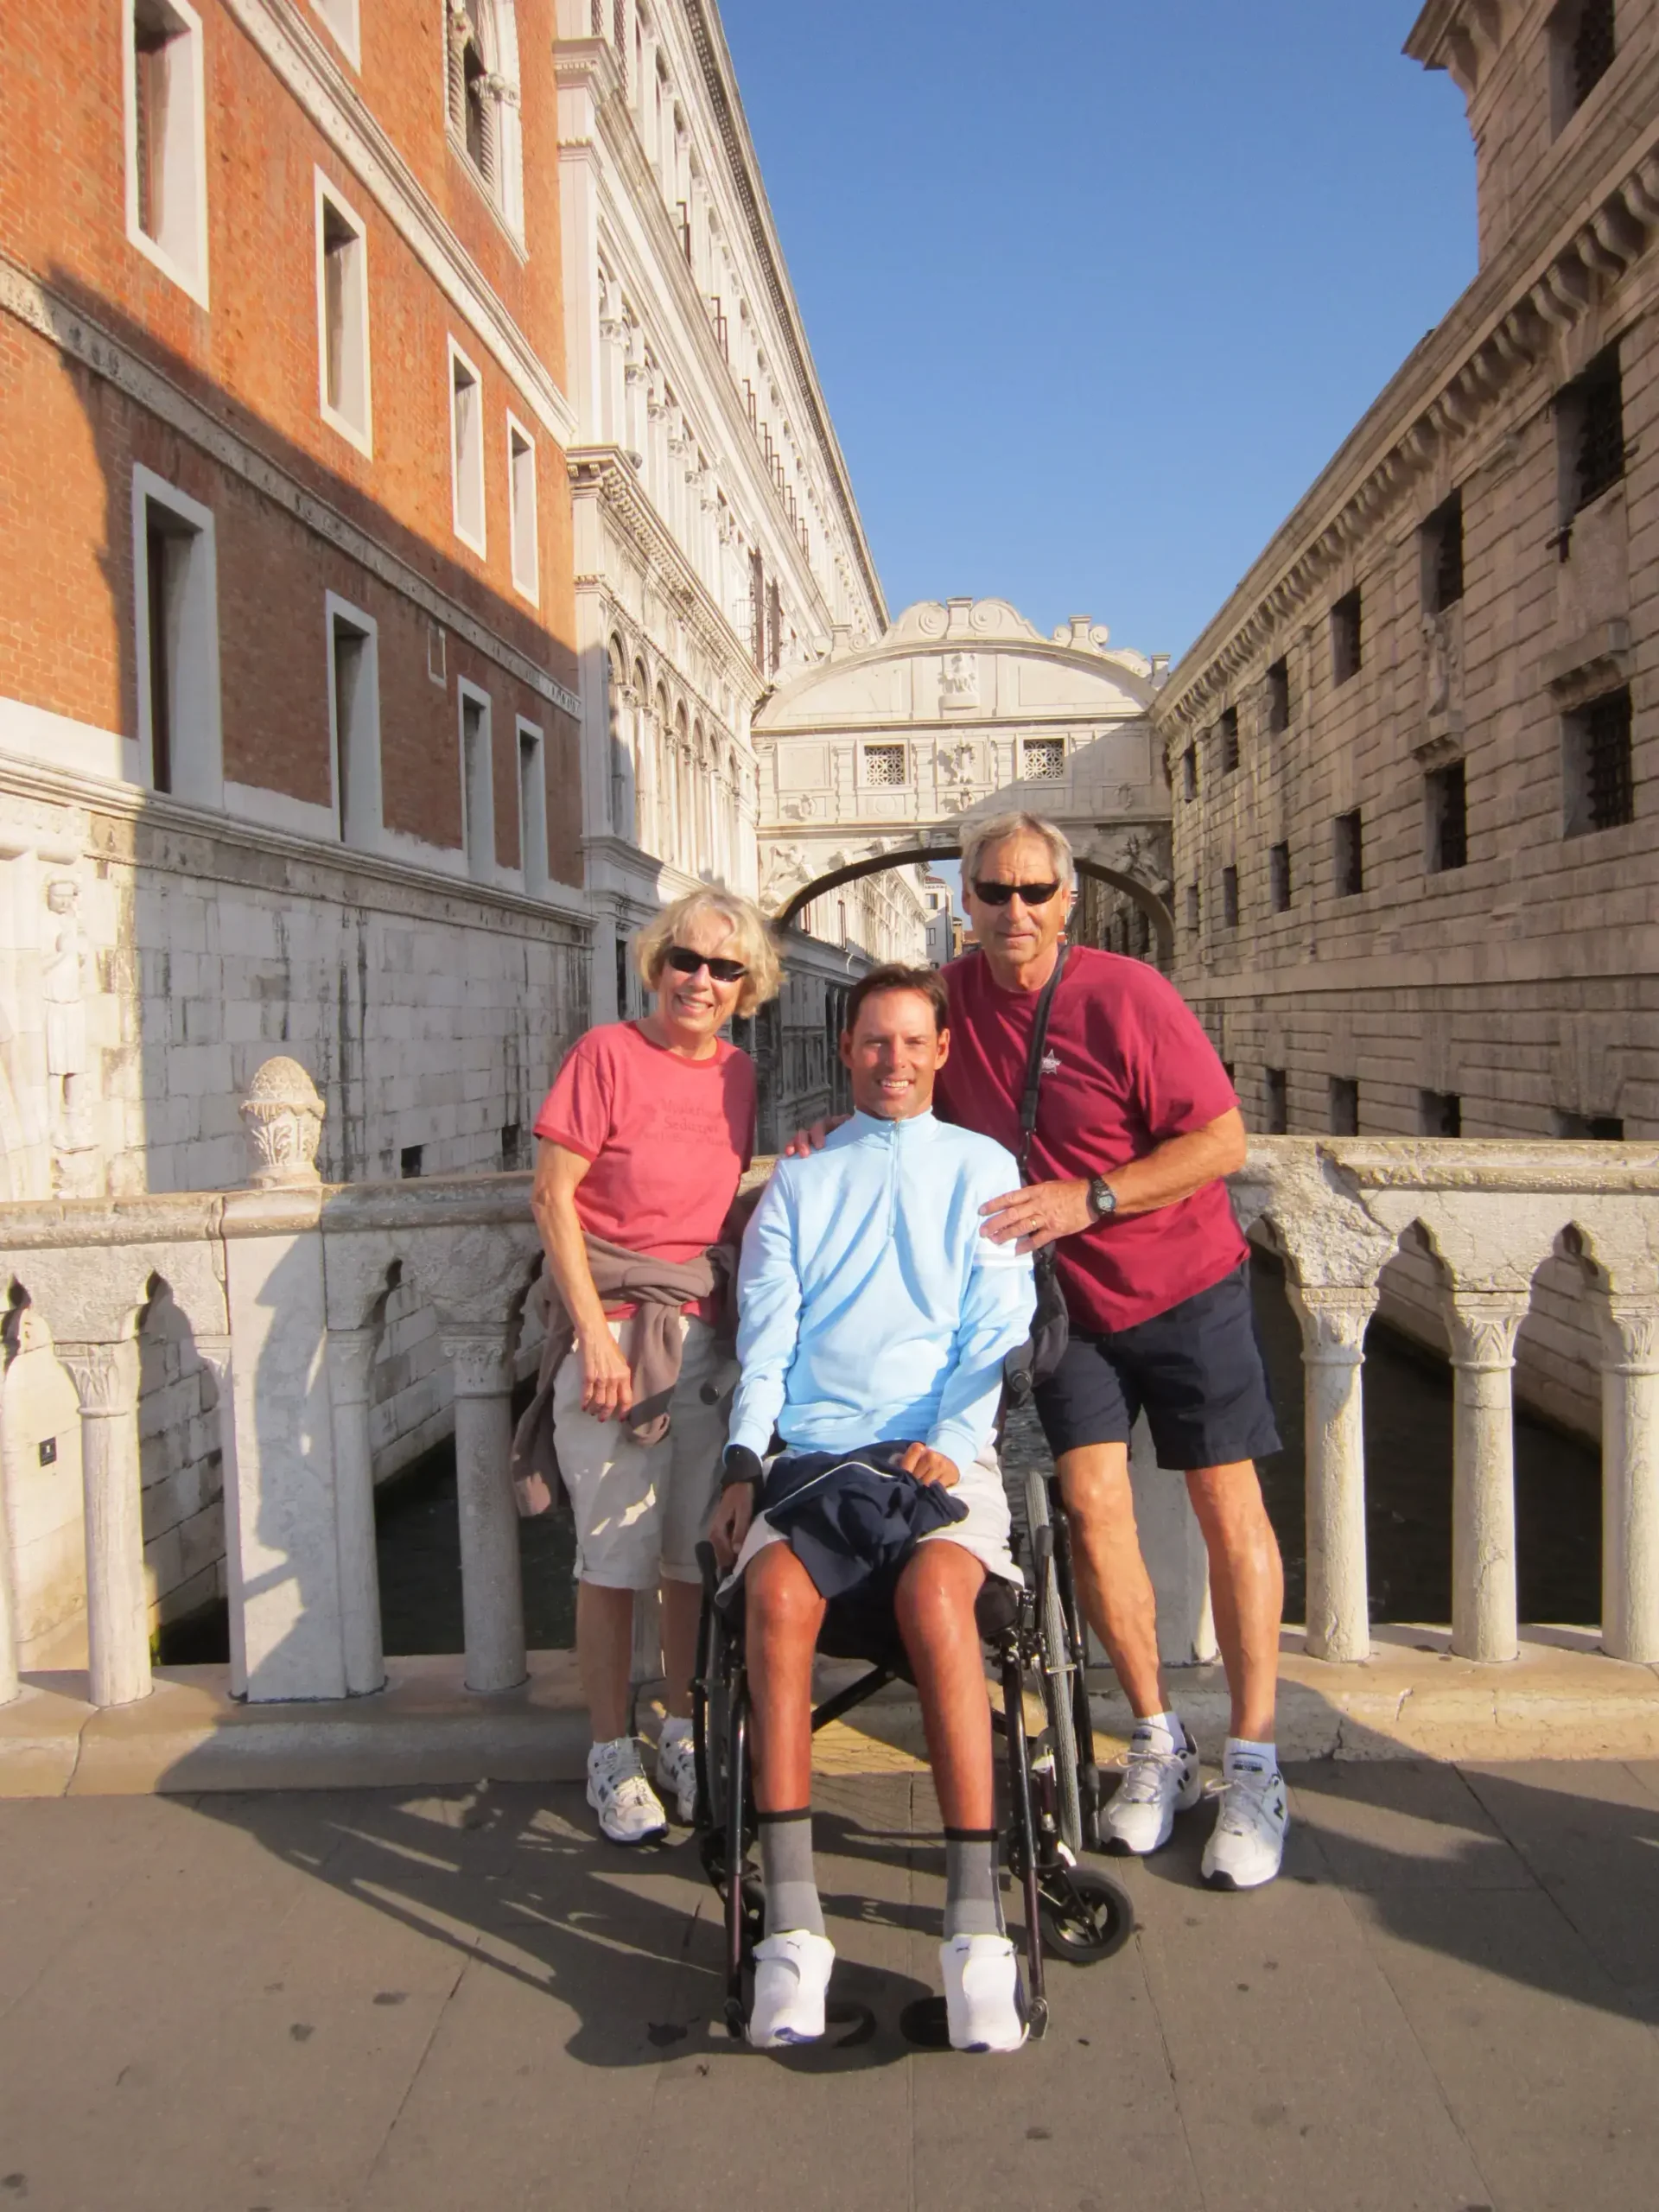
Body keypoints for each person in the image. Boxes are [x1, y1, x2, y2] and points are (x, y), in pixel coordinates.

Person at [790, 812, 1288, 1891]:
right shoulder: (949, 1000)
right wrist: (828, 1137)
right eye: (991, 891)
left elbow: (1221, 1140)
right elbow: (897, 1077)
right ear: (962, 900)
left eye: (1031, 892)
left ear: (1067, 901)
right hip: (1070, 1310)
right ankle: (1156, 1738)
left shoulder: (1128, 995)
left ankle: (1255, 1760)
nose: (1012, 911)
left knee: (1226, 1505)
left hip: (1185, 1284)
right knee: (1097, 1510)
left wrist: (1091, 1196)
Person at [710, 965, 1036, 2054]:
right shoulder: (799, 1183)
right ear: (845, 1049)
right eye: (873, 1042)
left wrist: (946, 1444)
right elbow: (767, 1337)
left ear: (942, 1052)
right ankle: (793, 1933)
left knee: (941, 1597)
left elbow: (997, 1328)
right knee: (773, 1594)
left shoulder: (986, 1167)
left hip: (940, 1455)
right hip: (815, 1454)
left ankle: (976, 1929)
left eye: (912, 1042)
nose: (893, 1060)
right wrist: (745, 1460)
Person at [528, 888, 780, 1846]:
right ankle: (607, 1749)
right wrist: (594, 1334)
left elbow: (724, 1206)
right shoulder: (604, 1055)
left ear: (746, 985)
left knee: (688, 1556)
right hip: (619, 1333)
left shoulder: (739, 1075)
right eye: (686, 959)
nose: (701, 980)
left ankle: (679, 1727)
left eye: (724, 968)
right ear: (656, 963)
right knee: (613, 1559)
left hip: (705, 1340)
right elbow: (553, 1197)